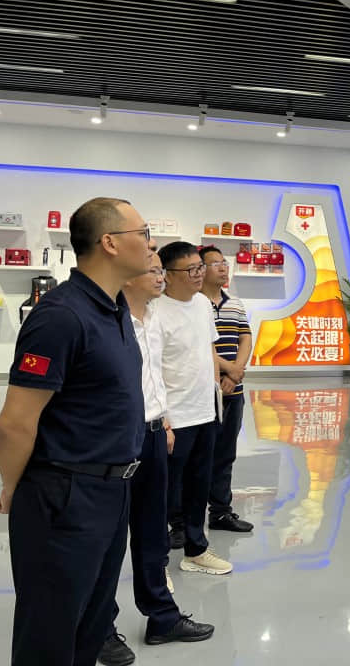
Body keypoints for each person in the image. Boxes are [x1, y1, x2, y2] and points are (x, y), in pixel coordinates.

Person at [0, 197, 152, 665]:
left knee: (90, 626)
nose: (151, 244)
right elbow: (15, 422)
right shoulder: (61, 316)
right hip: (65, 494)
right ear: (109, 242)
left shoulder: (116, 309)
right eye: (143, 234)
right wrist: (13, 486)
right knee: (50, 631)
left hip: (113, 490)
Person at [98, 252, 215, 666]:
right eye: (151, 269)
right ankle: (100, 628)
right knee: (109, 541)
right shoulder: (108, 322)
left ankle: (162, 617)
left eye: (160, 269)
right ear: (127, 275)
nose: (159, 276)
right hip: (117, 440)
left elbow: (152, 380)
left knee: (152, 534)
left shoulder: (151, 318)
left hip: (152, 433)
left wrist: (162, 419)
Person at [156, 241, 232, 575]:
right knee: (165, 492)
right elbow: (151, 369)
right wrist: (164, 419)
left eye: (200, 267)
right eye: (190, 270)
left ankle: (196, 550)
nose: (199, 274)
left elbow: (209, 350)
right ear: (168, 275)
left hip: (205, 412)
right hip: (175, 417)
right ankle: (157, 564)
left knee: (199, 485)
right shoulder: (155, 311)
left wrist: (216, 389)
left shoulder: (202, 304)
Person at [199, 245, 254, 533]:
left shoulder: (236, 304)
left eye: (224, 262)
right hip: (204, 392)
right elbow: (199, 346)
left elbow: (245, 338)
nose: (223, 267)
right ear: (200, 269)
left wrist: (236, 371)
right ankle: (183, 520)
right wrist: (228, 369)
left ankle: (220, 512)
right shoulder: (194, 304)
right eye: (215, 263)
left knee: (225, 455)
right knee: (196, 456)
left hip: (233, 391)